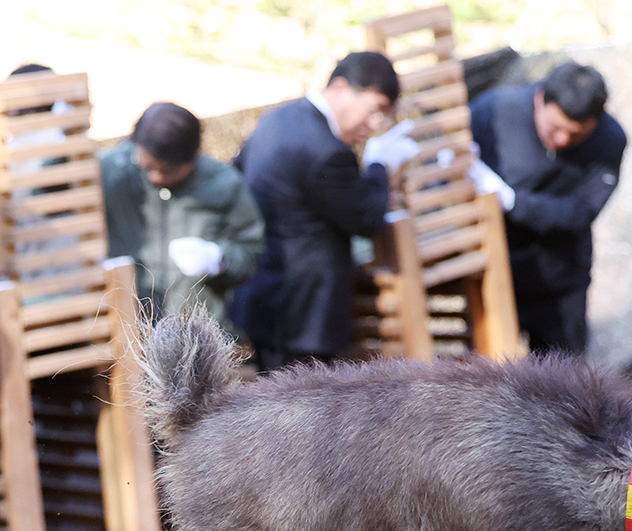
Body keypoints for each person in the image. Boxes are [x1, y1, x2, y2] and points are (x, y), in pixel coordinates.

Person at [231, 51, 418, 370]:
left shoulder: (278, 118)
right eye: (373, 110)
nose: (373, 124)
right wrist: (378, 165)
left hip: (264, 291)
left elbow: (237, 170)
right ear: (340, 88)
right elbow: (367, 218)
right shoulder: (326, 151)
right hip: (304, 311)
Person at [469, 60, 627, 356]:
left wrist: (511, 201)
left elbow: (580, 212)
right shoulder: (493, 112)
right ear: (539, 99)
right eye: (555, 128)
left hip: (560, 279)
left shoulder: (610, 140)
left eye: (577, 134)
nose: (563, 140)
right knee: (489, 379)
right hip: (495, 274)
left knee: (563, 385)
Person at [100, 102, 265, 322]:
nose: (157, 177)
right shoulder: (112, 171)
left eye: (169, 170)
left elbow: (251, 252)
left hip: (195, 330)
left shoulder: (224, 184)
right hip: (127, 325)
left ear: (195, 154)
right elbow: (50, 193)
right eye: (148, 167)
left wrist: (219, 259)